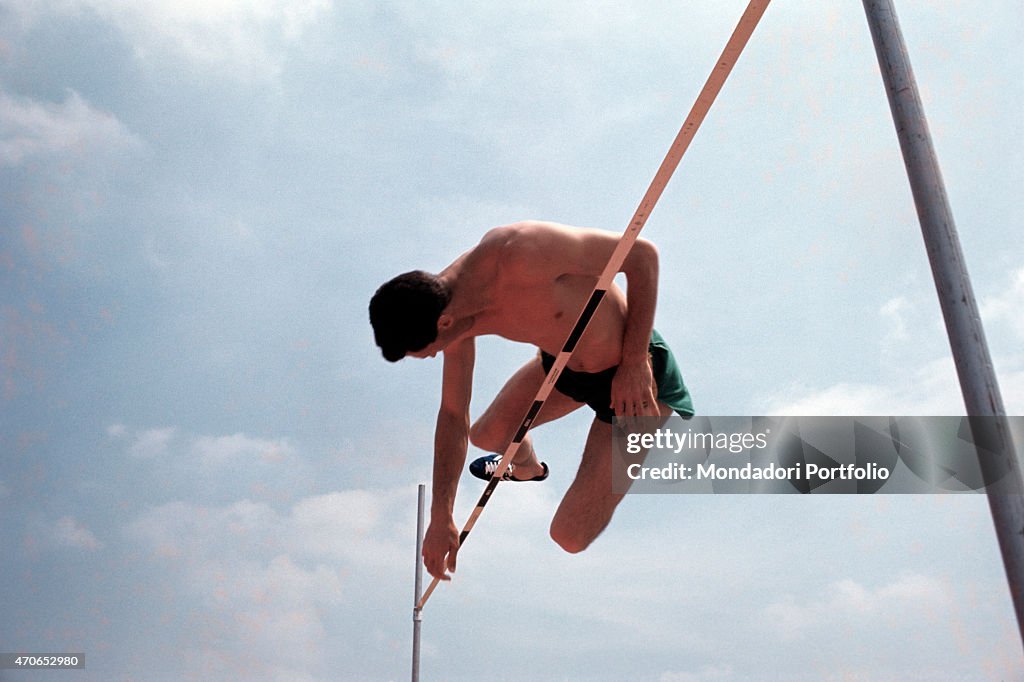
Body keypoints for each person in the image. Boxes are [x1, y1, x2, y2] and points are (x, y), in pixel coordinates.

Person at [369, 221, 693, 581]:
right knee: (487, 434)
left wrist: (634, 363)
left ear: (444, 324)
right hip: (566, 370)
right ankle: (526, 469)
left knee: (569, 536)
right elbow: (452, 413)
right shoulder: (452, 315)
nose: (433, 357)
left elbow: (642, 255)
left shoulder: (519, 252)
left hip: (637, 376)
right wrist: (440, 516)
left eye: (428, 352)